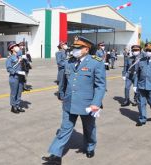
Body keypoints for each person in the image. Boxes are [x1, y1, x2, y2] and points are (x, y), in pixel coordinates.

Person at [42, 36, 106, 164]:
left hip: (87, 103)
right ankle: (55, 154)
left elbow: (100, 86)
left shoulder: (96, 62)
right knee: (65, 128)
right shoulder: (69, 62)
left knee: (89, 128)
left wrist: (96, 103)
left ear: (86, 49)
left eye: (78, 48)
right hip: (69, 101)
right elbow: (64, 81)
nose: (74, 50)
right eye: (74, 48)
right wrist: (62, 95)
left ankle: (90, 147)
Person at [6, 42, 25, 114]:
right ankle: (13, 107)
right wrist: (16, 72)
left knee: (19, 92)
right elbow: (9, 69)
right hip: (14, 77)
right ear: (12, 49)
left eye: (17, 46)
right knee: (14, 93)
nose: (17, 47)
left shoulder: (19, 56)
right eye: (15, 46)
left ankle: (17, 105)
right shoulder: (10, 58)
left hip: (20, 77)